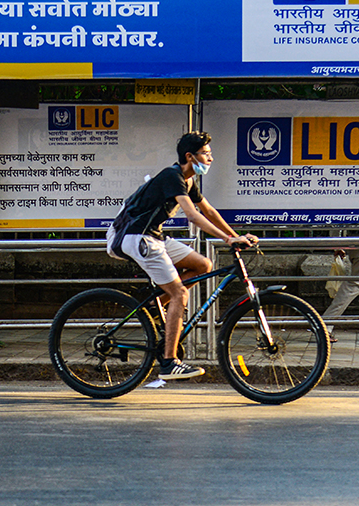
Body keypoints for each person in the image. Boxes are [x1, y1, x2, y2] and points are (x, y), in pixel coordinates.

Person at [106, 131, 257, 379]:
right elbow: (193, 215)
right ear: (190, 156)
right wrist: (228, 240)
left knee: (203, 264)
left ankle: (157, 305)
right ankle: (168, 362)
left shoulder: (187, 180)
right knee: (180, 292)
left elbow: (208, 210)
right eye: (206, 154)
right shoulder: (171, 176)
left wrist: (236, 236)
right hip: (135, 237)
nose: (211, 158)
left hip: (152, 235)